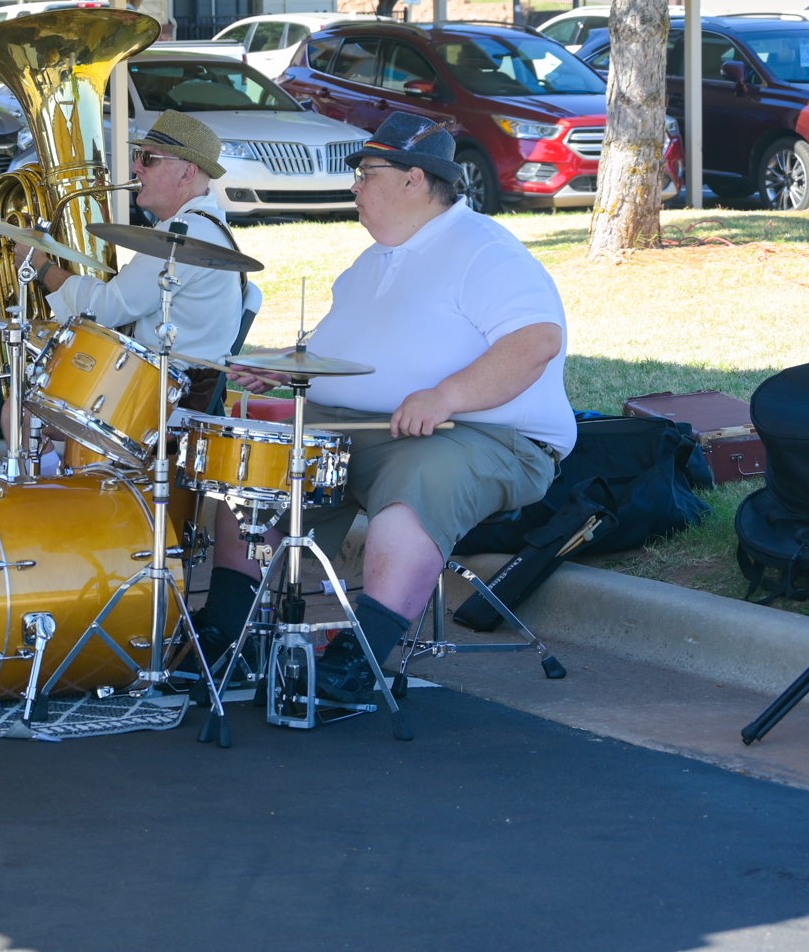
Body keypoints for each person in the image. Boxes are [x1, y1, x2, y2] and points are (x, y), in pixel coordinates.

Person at [215, 112, 573, 702]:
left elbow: (535, 342)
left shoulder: (483, 250)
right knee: (253, 467)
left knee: (420, 477)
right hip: (360, 429)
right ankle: (226, 636)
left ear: (414, 179)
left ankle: (359, 658)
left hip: (482, 434)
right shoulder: (370, 262)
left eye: (365, 172)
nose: (353, 185)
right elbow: (345, 351)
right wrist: (285, 363)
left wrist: (446, 395)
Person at [37, 110, 247, 413]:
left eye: (149, 158)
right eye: (138, 155)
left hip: (165, 399)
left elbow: (105, 309)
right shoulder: (201, 226)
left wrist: (43, 268)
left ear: (187, 172)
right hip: (164, 387)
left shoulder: (185, 235)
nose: (136, 166)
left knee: (19, 409)